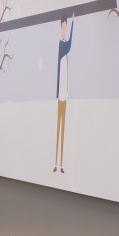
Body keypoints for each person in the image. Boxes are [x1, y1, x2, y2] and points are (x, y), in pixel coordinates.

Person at [53, 13, 74, 173]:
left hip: (65, 93)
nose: (64, 30)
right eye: (63, 27)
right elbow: (69, 45)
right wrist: (73, 22)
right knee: (58, 128)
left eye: (66, 27)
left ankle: (61, 164)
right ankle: (56, 162)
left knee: (64, 126)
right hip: (60, 93)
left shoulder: (64, 45)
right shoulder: (62, 45)